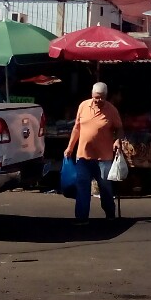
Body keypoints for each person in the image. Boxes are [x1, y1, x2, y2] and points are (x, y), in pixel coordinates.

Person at [64, 82, 124, 225]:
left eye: (102, 97)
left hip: (104, 157)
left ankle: (110, 214)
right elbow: (77, 128)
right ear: (92, 95)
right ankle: (82, 217)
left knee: (105, 188)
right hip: (83, 156)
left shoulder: (112, 110)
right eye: (96, 97)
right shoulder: (83, 106)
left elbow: (119, 128)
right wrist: (70, 147)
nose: (99, 100)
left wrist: (117, 140)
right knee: (82, 187)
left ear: (106, 96)